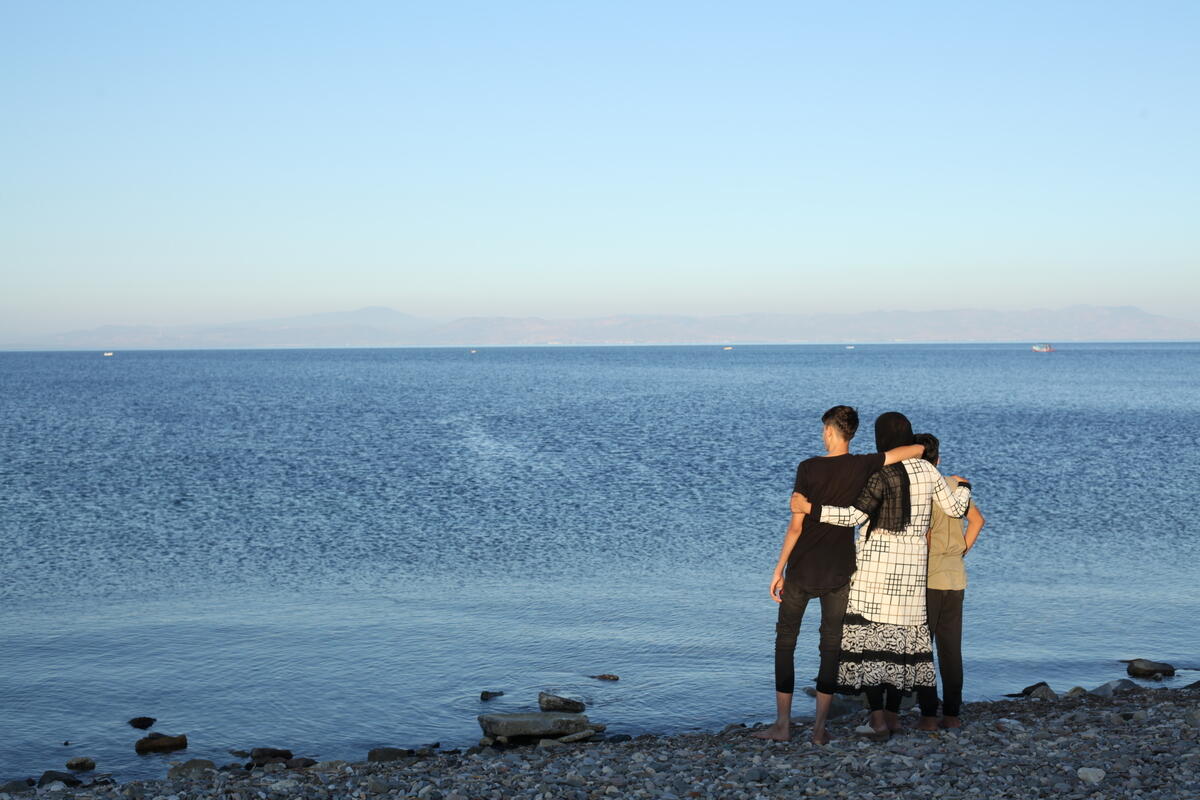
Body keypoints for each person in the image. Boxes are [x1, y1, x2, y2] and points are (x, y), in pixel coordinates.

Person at [791, 412, 972, 738]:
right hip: (912, 572)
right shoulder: (929, 471)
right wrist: (965, 487)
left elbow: (852, 517)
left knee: (871, 646)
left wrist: (812, 509)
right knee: (903, 648)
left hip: (875, 570)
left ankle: (878, 720)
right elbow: (956, 510)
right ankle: (895, 716)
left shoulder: (879, 472)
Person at [753, 406, 924, 745]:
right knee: (830, 647)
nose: (822, 435)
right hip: (840, 571)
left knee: (785, 643)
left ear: (830, 431)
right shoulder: (863, 464)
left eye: (823, 430)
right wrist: (883, 455)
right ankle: (818, 731)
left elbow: (796, 526)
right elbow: (917, 449)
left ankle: (783, 725)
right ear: (852, 433)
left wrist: (779, 568)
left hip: (803, 568)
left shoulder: (809, 468)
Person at [910, 433, 985, 731]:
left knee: (922, 648)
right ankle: (952, 714)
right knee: (951, 649)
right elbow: (978, 521)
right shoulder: (955, 487)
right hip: (955, 577)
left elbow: (925, 535)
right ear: (938, 459)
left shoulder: (921, 491)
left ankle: (928, 715)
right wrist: (961, 549)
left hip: (929, 578)